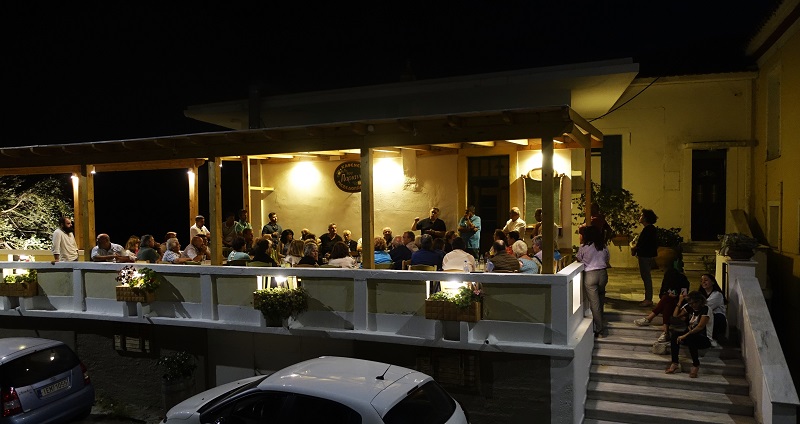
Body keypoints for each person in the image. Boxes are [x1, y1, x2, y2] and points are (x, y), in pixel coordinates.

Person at [633, 267, 691, 342]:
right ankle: (665, 332)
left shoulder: (683, 281)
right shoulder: (667, 281)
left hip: (678, 304)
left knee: (667, 300)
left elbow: (684, 296)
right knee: (667, 301)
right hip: (667, 303)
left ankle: (649, 318)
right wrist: (668, 294)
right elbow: (661, 294)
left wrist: (677, 296)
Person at [666, 291, 713, 378]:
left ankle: (696, 365)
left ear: (699, 301)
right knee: (675, 335)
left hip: (703, 338)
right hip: (689, 335)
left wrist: (685, 335)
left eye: (694, 303)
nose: (692, 305)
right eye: (690, 303)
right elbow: (675, 316)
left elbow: (700, 327)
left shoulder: (706, 309)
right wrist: (680, 301)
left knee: (692, 337)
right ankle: (675, 363)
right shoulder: (689, 307)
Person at [576, 225, 610, 338]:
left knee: (594, 304)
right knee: (601, 298)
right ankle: (601, 320)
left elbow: (579, 258)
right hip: (603, 274)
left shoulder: (584, 247)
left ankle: (600, 329)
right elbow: (607, 258)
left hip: (590, 274)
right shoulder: (603, 246)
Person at [632, 209, 658, 307]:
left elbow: (643, 244)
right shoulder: (650, 229)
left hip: (645, 256)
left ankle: (648, 299)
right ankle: (648, 298)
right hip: (646, 255)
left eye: (642, 215)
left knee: (646, 277)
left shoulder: (648, 229)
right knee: (646, 277)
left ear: (646, 218)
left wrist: (634, 247)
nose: (640, 217)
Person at [699, 273, 727, 345]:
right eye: (701, 281)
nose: (703, 282)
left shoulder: (717, 294)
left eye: (706, 280)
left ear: (713, 282)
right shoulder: (701, 295)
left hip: (717, 319)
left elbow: (706, 307)